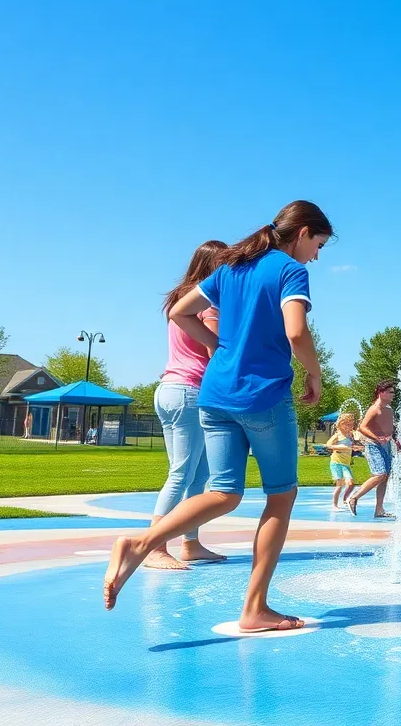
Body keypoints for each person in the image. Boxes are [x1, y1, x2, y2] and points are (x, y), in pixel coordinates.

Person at [104, 200, 333, 633]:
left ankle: (142, 541)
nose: (317, 256)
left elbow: (178, 312)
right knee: (281, 496)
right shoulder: (289, 271)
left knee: (225, 492)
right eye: (318, 244)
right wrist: (314, 374)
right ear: (302, 232)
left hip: (214, 396)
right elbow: (296, 331)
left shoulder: (230, 269)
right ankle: (255, 608)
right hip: (262, 396)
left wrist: (220, 347)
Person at [144, 240, 229, 571]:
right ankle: (155, 546)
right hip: (189, 392)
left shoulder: (182, 298)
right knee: (181, 472)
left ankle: (190, 543)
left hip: (172, 390)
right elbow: (215, 353)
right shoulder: (207, 301)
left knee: (200, 473)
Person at [345, 381, 401, 518]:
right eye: (390, 392)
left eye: (393, 392)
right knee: (380, 474)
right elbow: (362, 427)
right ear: (381, 393)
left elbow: (389, 428)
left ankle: (379, 510)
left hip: (385, 445)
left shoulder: (388, 409)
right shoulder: (374, 409)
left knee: (385, 477)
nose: (393, 394)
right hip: (373, 444)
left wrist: (395, 439)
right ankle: (353, 498)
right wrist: (377, 438)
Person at [325, 412, 358, 510]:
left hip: (346, 464)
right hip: (336, 462)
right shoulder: (338, 435)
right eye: (347, 424)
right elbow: (328, 445)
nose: (350, 426)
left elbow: (358, 440)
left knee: (351, 484)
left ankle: (344, 500)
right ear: (341, 424)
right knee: (339, 485)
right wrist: (341, 447)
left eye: (351, 424)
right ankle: (334, 505)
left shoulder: (352, 434)